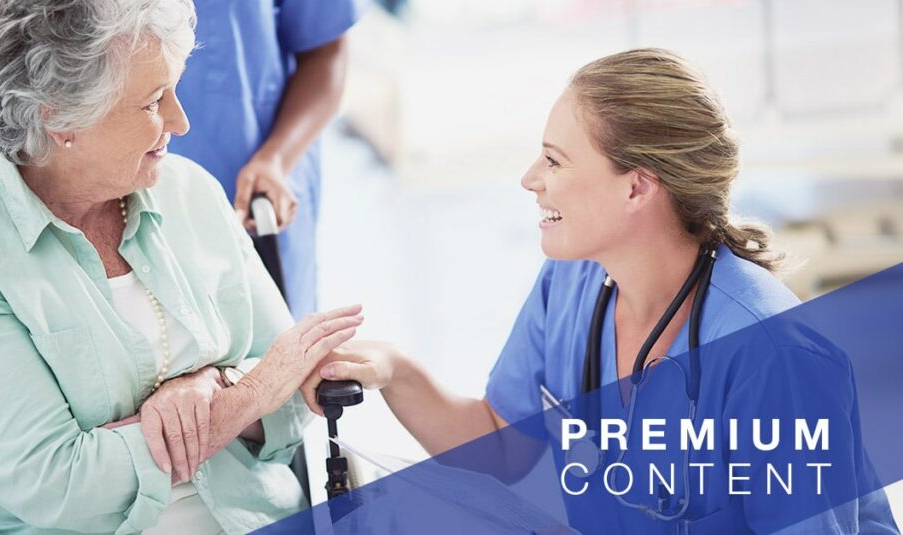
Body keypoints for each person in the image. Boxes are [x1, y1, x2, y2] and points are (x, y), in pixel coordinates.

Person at [300, 49, 900, 533]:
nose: (529, 179)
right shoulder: (571, 283)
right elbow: (500, 449)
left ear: (638, 187)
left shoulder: (772, 355)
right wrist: (395, 370)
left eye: (555, 161)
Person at [0, 1, 363, 533]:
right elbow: (60, 484)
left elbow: (299, 394)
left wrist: (210, 386)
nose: (181, 122)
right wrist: (245, 397)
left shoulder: (192, 193)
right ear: (60, 116)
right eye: (152, 102)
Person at [0, 0, 360, 319]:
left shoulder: (196, 190)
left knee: (264, 378)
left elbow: (327, 50)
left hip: (242, 197)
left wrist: (276, 159)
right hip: (68, 198)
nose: (177, 121)